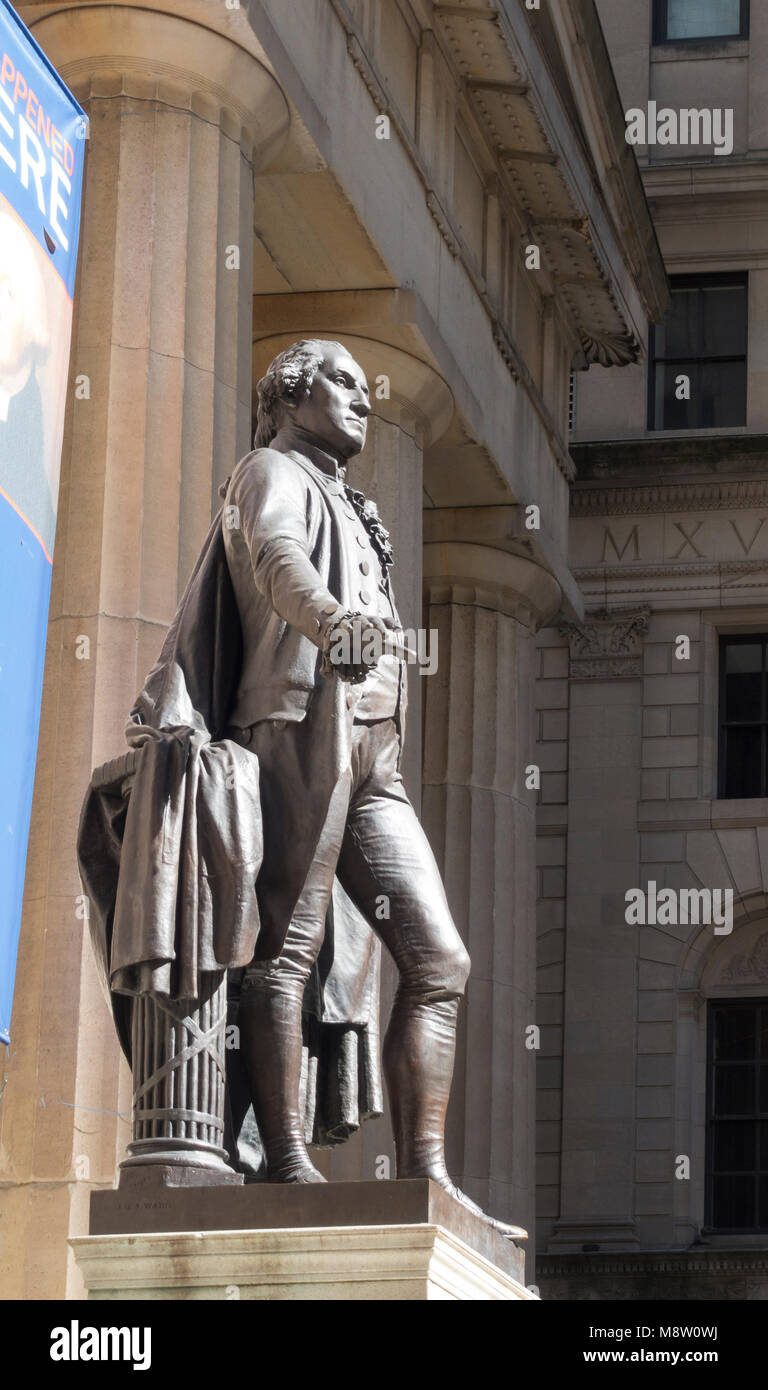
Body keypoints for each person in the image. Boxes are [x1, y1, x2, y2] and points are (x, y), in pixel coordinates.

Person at [220, 337, 524, 1238]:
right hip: (300, 716)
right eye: (339, 382)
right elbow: (279, 562)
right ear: (291, 392)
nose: (360, 397)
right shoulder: (269, 470)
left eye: (362, 383)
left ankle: (427, 1176)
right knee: (289, 942)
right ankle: (284, 1160)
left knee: (440, 960)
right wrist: (333, 621)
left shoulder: (354, 503)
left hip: (374, 749)